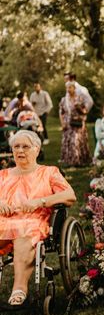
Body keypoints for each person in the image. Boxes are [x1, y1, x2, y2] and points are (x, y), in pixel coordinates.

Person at [0, 131, 76, 305]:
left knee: (23, 233)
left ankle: (19, 287)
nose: (20, 150)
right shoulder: (2, 175)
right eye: (16, 146)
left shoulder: (49, 172)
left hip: (34, 221)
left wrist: (40, 202)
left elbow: (70, 195)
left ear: (37, 149)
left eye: (25, 146)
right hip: (4, 221)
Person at [59, 83, 91, 166]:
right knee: (68, 142)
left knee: (75, 141)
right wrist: (62, 123)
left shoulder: (80, 98)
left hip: (78, 124)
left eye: (70, 87)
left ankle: (78, 160)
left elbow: (85, 111)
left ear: (74, 88)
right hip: (68, 124)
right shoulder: (64, 100)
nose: (68, 89)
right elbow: (61, 112)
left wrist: (79, 107)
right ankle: (69, 161)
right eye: (67, 88)